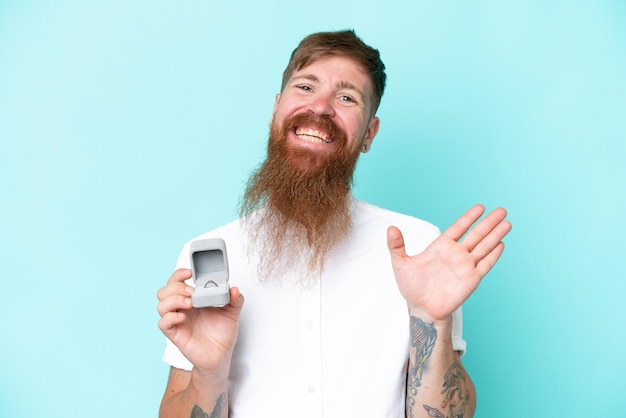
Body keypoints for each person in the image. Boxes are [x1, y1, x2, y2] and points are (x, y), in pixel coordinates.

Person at [157, 29, 511, 418]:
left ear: (368, 135)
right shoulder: (210, 255)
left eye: (346, 97)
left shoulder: (420, 248)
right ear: (276, 109)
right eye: (305, 87)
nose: (321, 107)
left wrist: (433, 320)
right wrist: (209, 371)